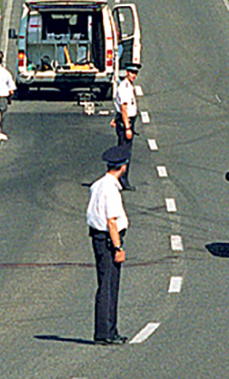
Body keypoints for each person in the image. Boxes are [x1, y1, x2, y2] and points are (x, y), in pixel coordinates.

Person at [87, 145, 131, 346]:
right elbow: (111, 221)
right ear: (123, 167)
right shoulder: (111, 189)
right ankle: (106, 331)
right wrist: (118, 247)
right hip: (108, 239)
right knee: (109, 286)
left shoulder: (97, 185)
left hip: (97, 237)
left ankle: (108, 330)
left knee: (106, 283)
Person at [110, 63, 140, 191]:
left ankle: (121, 178)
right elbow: (123, 108)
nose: (134, 75)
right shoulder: (124, 87)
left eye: (135, 73)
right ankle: (122, 179)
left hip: (124, 120)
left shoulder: (128, 85)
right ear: (127, 72)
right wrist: (128, 127)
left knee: (124, 150)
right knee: (125, 152)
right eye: (132, 72)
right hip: (126, 122)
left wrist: (116, 119)